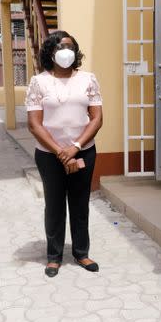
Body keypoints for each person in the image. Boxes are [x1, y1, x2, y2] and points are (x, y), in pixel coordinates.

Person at [26, 31, 103, 277]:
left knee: (80, 204)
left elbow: (97, 118)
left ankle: (81, 253)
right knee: (55, 205)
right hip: (50, 155)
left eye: (69, 46)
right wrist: (61, 151)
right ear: (50, 52)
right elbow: (34, 124)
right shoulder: (38, 82)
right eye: (59, 46)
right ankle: (54, 256)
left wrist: (76, 147)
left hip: (83, 151)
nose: (65, 50)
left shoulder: (88, 79)